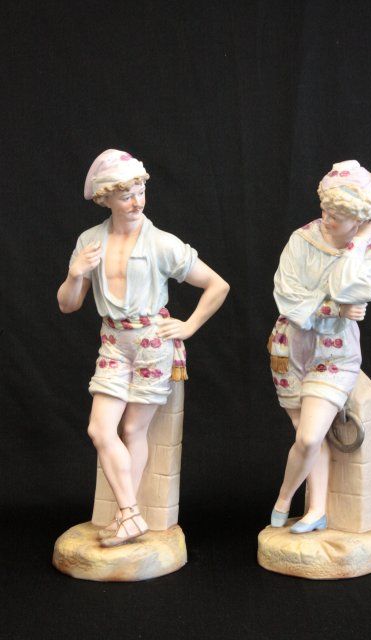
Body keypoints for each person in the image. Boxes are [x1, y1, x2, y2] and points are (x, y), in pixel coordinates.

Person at [57, 149, 229, 547]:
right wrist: (75, 273)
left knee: (133, 429)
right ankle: (131, 515)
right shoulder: (90, 241)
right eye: (126, 196)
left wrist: (189, 325)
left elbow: (217, 285)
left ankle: (126, 517)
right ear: (105, 199)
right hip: (113, 342)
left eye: (140, 191)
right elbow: (68, 305)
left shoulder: (161, 243)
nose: (137, 202)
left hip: (151, 341)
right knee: (100, 429)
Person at [268, 160, 371, 533]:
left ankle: (284, 498)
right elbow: (287, 298)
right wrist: (335, 309)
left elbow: (346, 288)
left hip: (334, 355)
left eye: (336, 216)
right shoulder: (302, 240)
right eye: (325, 209)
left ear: (360, 219)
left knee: (309, 436)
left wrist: (358, 245)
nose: (325, 219)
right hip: (289, 349)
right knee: (308, 436)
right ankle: (316, 510)